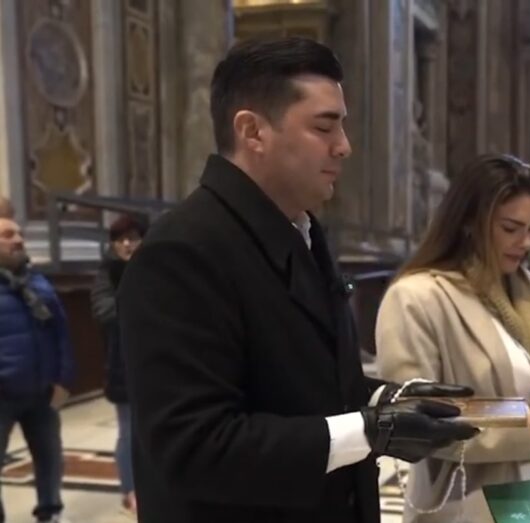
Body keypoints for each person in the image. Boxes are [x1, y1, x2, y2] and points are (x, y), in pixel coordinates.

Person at [117, 37, 478, 523]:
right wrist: (369, 432)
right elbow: (194, 446)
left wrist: (385, 398)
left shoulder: (300, 228)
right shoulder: (182, 250)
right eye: (324, 126)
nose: (344, 146)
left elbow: (303, 379)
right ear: (253, 131)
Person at [376, 154, 530, 523]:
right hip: (463, 507)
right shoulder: (417, 297)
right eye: (510, 228)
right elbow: (415, 417)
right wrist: (526, 430)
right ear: (470, 223)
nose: (526, 242)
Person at [0, 217, 73, 523]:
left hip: (41, 393)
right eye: (7, 234)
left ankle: (50, 512)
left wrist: (63, 379)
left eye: (19, 233)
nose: (18, 240)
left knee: (50, 459)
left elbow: (61, 334)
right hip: (2, 394)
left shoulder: (38, 283)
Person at [90, 214, 147, 515]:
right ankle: (131, 490)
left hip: (156, 366)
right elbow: (104, 311)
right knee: (129, 431)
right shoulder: (107, 273)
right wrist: (143, 303)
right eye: (120, 239)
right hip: (122, 365)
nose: (127, 244)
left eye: (133, 238)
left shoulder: (157, 268)